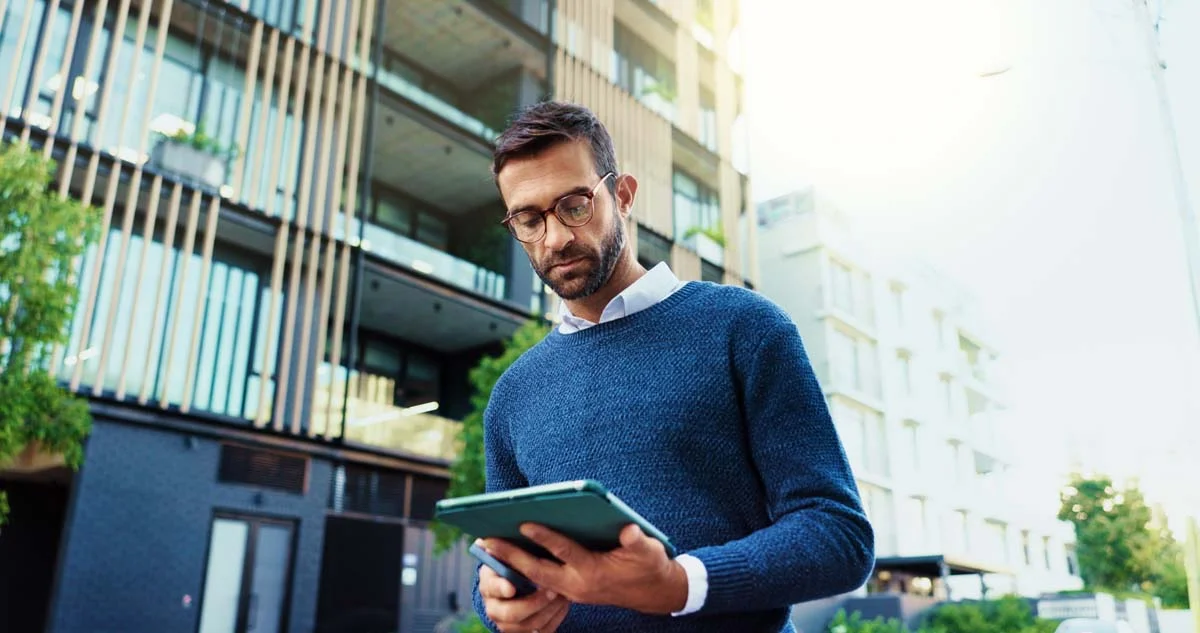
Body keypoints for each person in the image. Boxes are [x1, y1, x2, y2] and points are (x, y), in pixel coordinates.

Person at [470, 101, 875, 633]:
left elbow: (838, 533)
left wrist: (681, 585)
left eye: (574, 205)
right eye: (528, 218)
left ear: (623, 196)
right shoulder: (513, 395)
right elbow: (504, 557)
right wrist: (498, 603)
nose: (556, 238)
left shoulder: (744, 328)